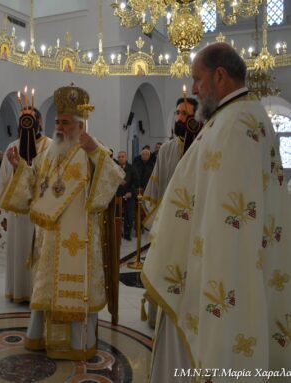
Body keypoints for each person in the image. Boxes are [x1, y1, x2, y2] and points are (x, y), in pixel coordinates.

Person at [142, 43, 291, 379]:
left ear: (220, 76)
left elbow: (230, 220)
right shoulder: (240, 116)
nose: (194, 89)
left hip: (213, 277)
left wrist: (201, 276)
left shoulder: (234, 126)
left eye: (197, 79)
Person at [0, 85, 124, 360]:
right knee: (47, 291)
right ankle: (42, 339)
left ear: (80, 125)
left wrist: (95, 153)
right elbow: (32, 184)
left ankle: (79, 344)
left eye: (65, 123)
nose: (59, 127)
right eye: (57, 122)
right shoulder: (48, 154)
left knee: (75, 293)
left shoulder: (93, 149)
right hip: (50, 238)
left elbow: (114, 177)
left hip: (79, 237)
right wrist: (20, 166)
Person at [0, 108, 51, 303]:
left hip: (40, 211)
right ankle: (18, 291)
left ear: (39, 122)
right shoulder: (13, 146)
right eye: (23, 120)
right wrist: (1, 202)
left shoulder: (49, 146)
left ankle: (38, 293)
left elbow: (49, 179)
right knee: (18, 250)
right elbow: (3, 179)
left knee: (37, 252)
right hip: (18, 213)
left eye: (31, 120)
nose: (26, 124)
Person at [143, 97, 199, 227]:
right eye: (177, 113)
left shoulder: (201, 146)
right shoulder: (165, 149)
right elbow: (154, 188)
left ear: (194, 119)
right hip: (168, 216)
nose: (179, 118)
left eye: (184, 114)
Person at [116, 151, 137, 241]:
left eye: (123, 157)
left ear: (126, 158)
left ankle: (127, 233)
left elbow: (136, 182)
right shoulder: (115, 168)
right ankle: (117, 232)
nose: (121, 158)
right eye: (119, 157)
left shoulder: (132, 168)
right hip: (118, 195)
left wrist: (130, 192)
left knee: (129, 214)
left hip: (129, 195)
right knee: (115, 214)